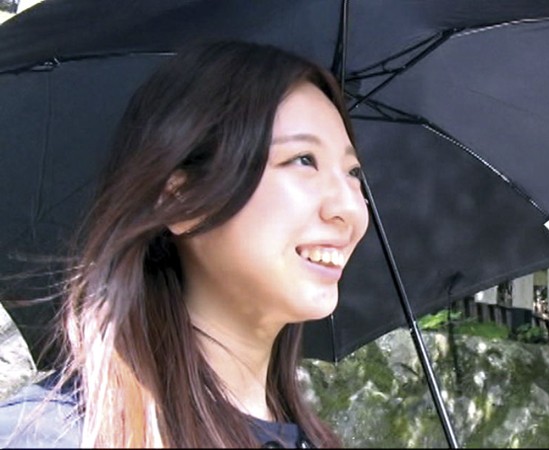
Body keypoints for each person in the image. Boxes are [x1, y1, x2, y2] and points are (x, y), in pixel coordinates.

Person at [0, 40, 369, 448]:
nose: (349, 209)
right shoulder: (55, 435)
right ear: (182, 201)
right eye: (303, 160)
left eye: (353, 172)